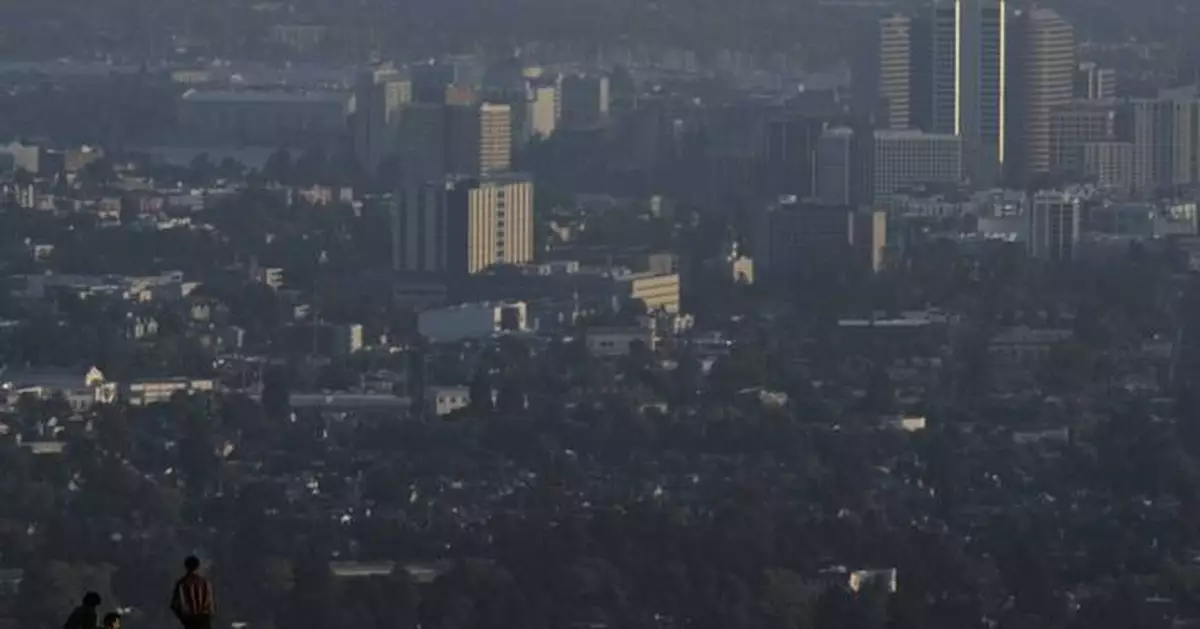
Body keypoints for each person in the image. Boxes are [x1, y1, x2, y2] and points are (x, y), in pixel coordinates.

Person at [170, 556, 215, 629]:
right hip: (204, 621)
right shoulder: (206, 584)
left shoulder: (182, 584)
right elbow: (211, 607)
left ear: (186, 567)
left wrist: (183, 617)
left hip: (190, 621)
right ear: (198, 566)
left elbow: (175, 605)